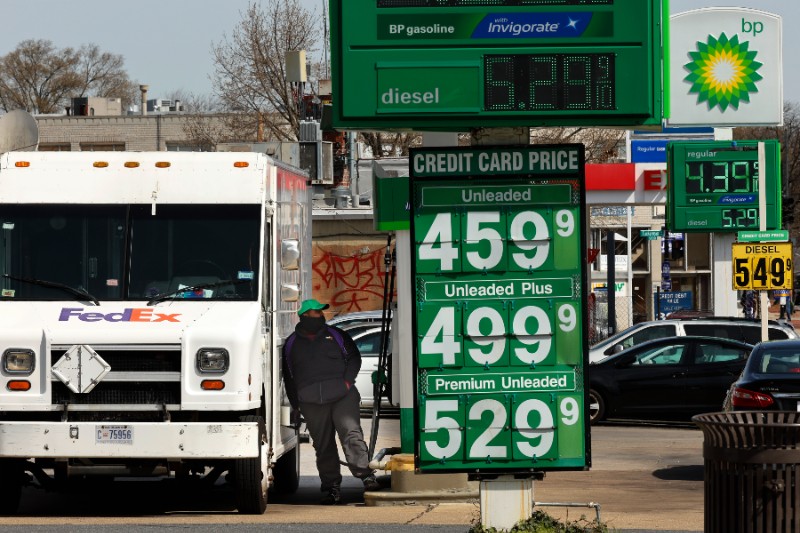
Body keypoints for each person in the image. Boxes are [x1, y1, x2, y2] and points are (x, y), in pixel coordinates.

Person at [281, 298, 381, 504]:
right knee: (323, 446)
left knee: (351, 434)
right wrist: (296, 404)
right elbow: (288, 376)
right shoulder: (291, 343)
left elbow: (354, 358)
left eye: (322, 312)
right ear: (305, 315)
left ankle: (366, 476)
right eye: (317, 312)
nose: (322, 315)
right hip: (310, 402)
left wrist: (347, 383)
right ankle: (331, 488)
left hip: (342, 396)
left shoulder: (336, 335)